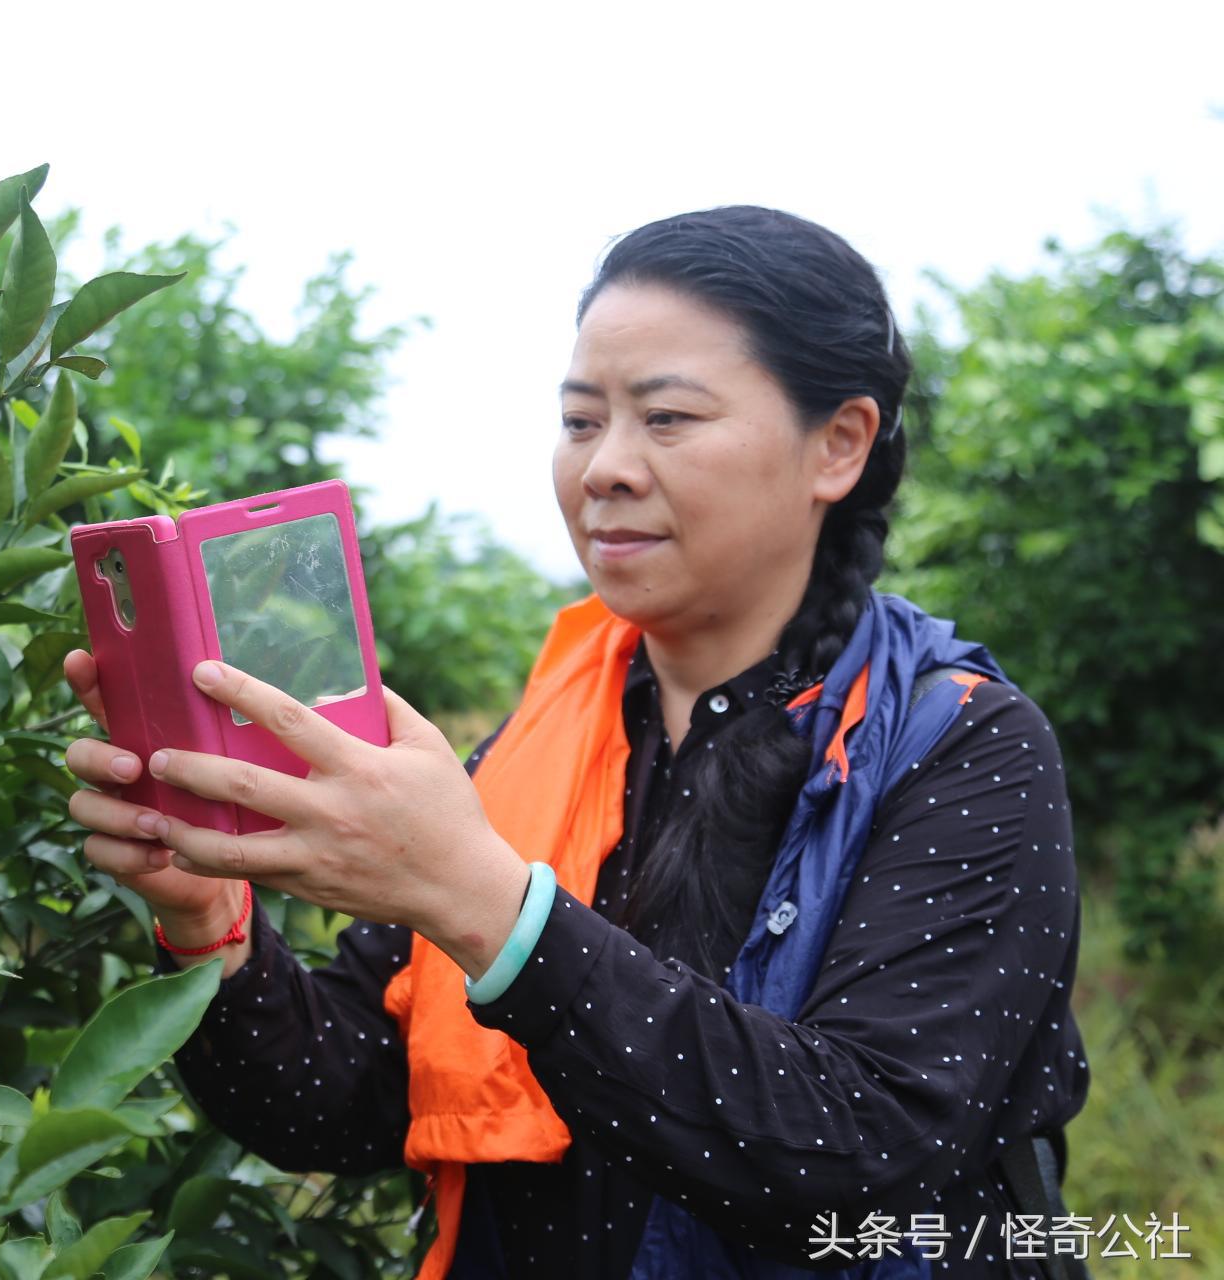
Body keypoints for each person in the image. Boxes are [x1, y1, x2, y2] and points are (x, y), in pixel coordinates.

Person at [61, 206, 1089, 1279]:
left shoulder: (963, 747)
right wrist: (209, 924)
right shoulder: (546, 736)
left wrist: (490, 909)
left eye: (669, 418)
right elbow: (347, 1100)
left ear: (839, 444)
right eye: (582, 419)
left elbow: (862, 1145)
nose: (606, 467)